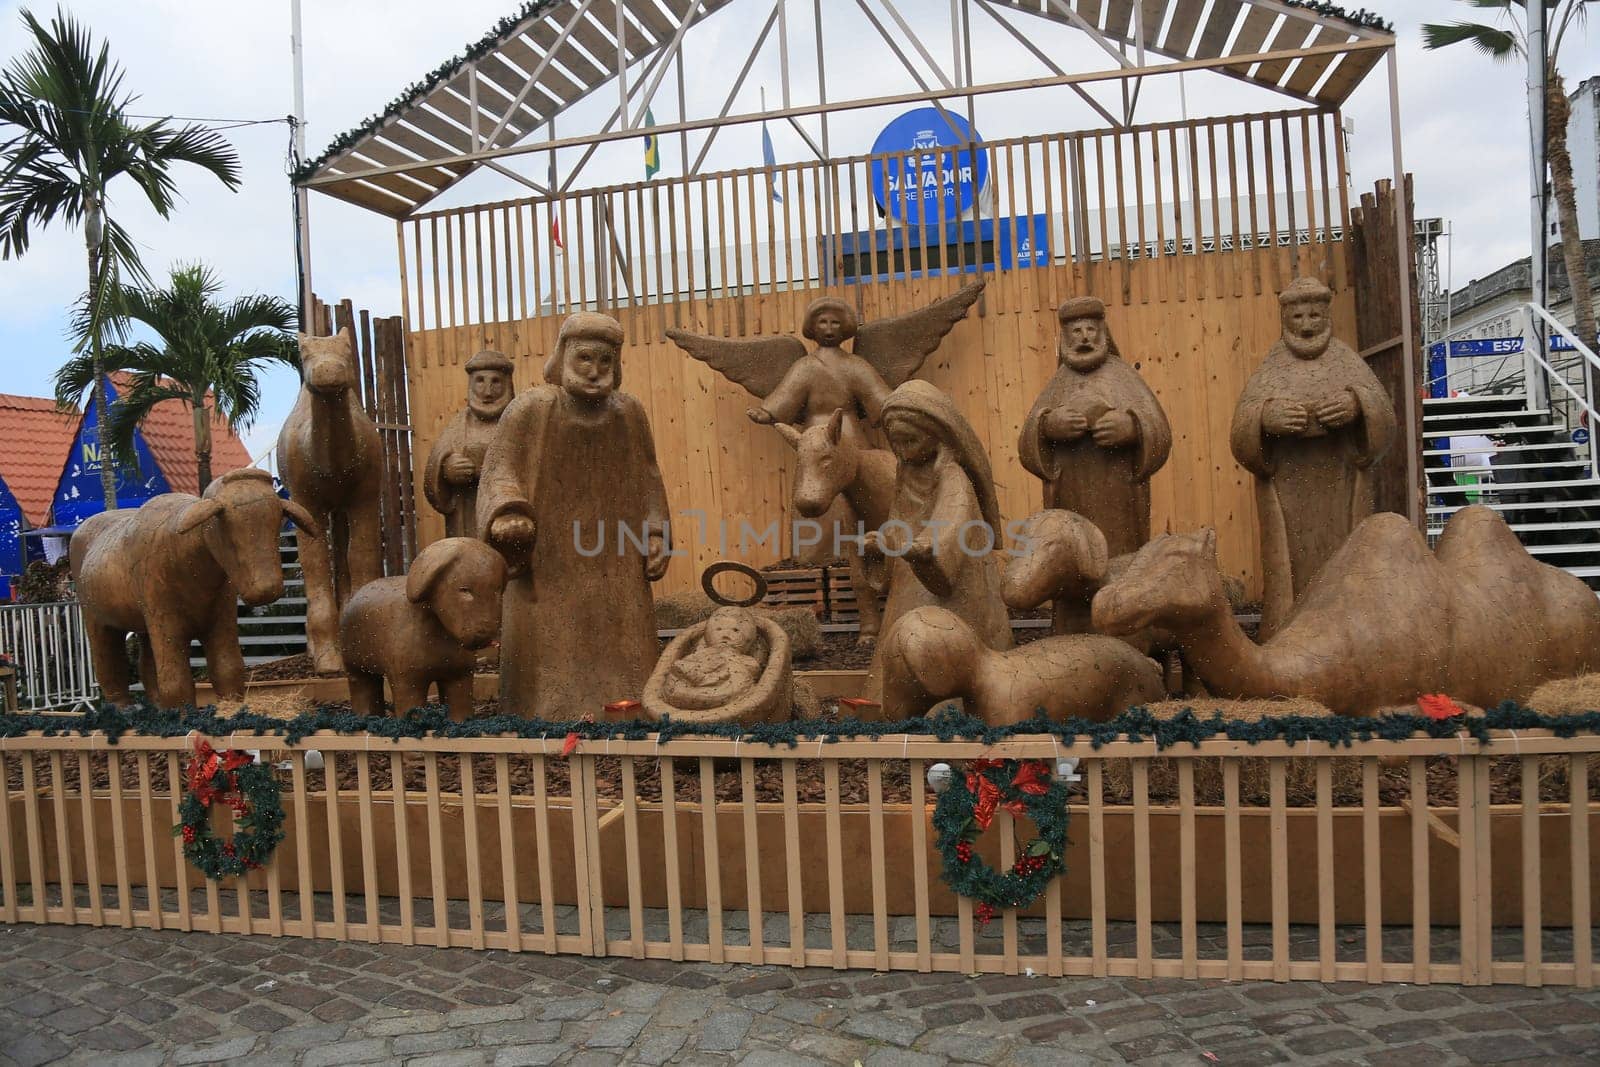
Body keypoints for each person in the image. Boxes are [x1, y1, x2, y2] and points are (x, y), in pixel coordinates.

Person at [477, 313, 671, 719]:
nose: (595, 371)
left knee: (624, 632)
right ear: (562, 355)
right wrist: (507, 514)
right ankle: (544, 713)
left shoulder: (628, 412)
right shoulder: (532, 408)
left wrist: (655, 533)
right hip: (549, 556)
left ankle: (629, 708)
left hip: (616, 553)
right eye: (585, 358)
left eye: (605, 361)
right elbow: (501, 470)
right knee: (551, 638)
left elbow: (649, 477)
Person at [1231, 276, 1396, 637]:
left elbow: (1384, 417)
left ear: (1327, 315)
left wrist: (1357, 404)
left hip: (1342, 488)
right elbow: (1242, 428)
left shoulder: (1346, 362)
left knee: (1346, 563)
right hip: (1288, 492)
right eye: (1297, 317)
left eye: (1314, 316)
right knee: (1290, 574)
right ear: (1284, 320)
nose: (1306, 325)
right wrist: (1265, 417)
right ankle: (1289, 633)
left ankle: (1352, 631)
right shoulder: (1272, 366)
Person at [1018, 296, 1172, 631]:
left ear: (1103, 333)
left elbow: (1159, 430)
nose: (1084, 337)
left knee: (1122, 568)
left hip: (1120, 503)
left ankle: (1127, 636)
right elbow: (1027, 442)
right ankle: (1073, 635)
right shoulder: (1057, 384)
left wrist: (1132, 427)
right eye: (1076, 331)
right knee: (1073, 568)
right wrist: (1048, 425)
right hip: (1071, 500)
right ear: (1064, 338)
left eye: (1091, 329)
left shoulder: (1124, 377)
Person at [864, 380, 1011, 702]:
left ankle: (950, 704)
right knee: (901, 639)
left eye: (910, 441)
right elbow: (898, 522)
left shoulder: (953, 477)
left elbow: (952, 524)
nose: (902, 451)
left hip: (949, 584)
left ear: (937, 435)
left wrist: (927, 550)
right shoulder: (906, 476)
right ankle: (891, 702)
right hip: (910, 579)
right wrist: (882, 543)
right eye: (896, 443)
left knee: (944, 642)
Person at [748, 297, 891, 448]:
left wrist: (897, 407)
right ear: (813, 327)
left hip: (850, 436)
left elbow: (876, 394)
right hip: (814, 437)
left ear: (844, 328)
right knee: (814, 467)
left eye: (835, 322)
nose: (829, 328)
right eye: (823, 322)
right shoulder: (805, 367)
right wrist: (769, 413)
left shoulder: (855, 365)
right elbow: (787, 395)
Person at [423, 349, 515, 539]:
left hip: (508, 517)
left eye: (496, 382)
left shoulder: (518, 422)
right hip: (466, 518)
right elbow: (433, 470)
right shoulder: (458, 426)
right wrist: (446, 469)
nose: (487, 392)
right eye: (480, 381)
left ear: (508, 383)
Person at [661, 607, 764, 711]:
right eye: (719, 629)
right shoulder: (702, 653)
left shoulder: (745, 659)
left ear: (748, 638)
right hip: (697, 685)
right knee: (678, 679)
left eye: (735, 630)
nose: (726, 635)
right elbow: (684, 665)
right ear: (708, 634)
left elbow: (754, 669)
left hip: (729, 690)